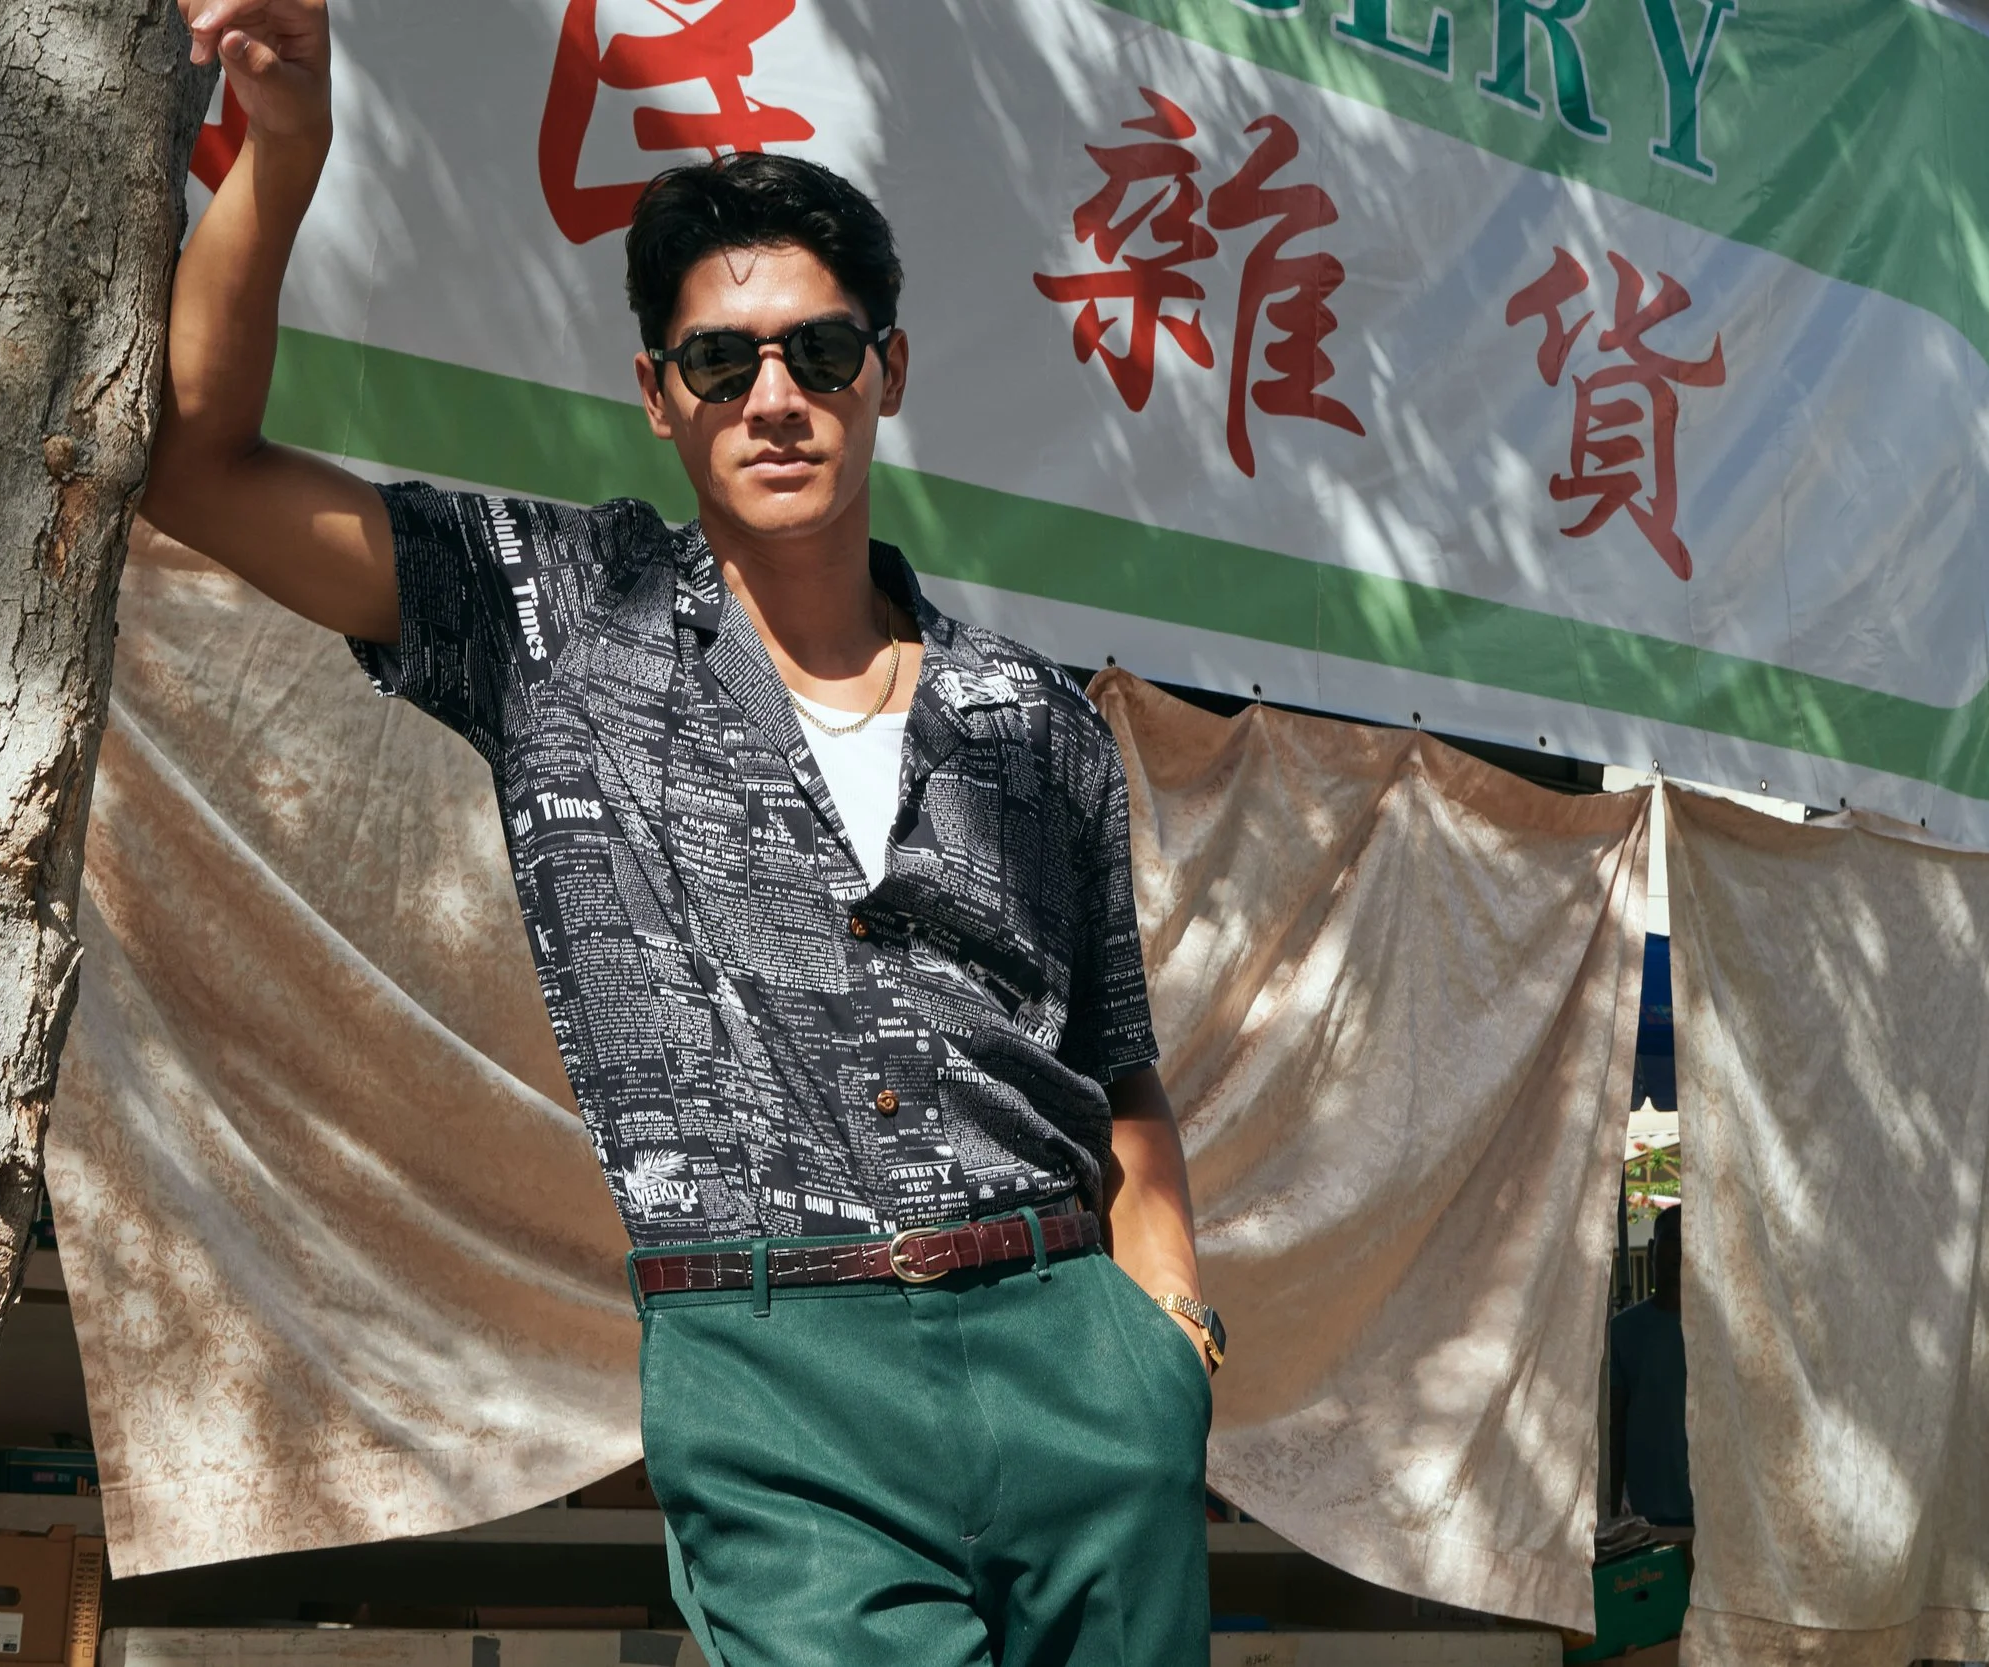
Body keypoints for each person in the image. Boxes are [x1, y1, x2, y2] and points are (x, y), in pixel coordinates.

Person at [141, 4, 1222, 1660]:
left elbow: (1117, 1051)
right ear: (661, 394)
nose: (774, 395)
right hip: (779, 1372)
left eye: (821, 352)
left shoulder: (1034, 719)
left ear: (888, 374)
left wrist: (1165, 1316)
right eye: (725, 361)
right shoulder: (559, 616)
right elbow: (191, 462)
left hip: (1077, 1355)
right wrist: (283, 154)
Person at [1608, 1204, 1692, 1527]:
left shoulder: (1717, 1335)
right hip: (1646, 1521)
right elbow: (1615, 1427)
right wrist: (1612, 1513)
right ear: (1653, 1249)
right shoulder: (1624, 1332)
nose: (1680, 1250)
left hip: (1713, 1518)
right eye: (1672, 1238)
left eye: (1688, 1240)